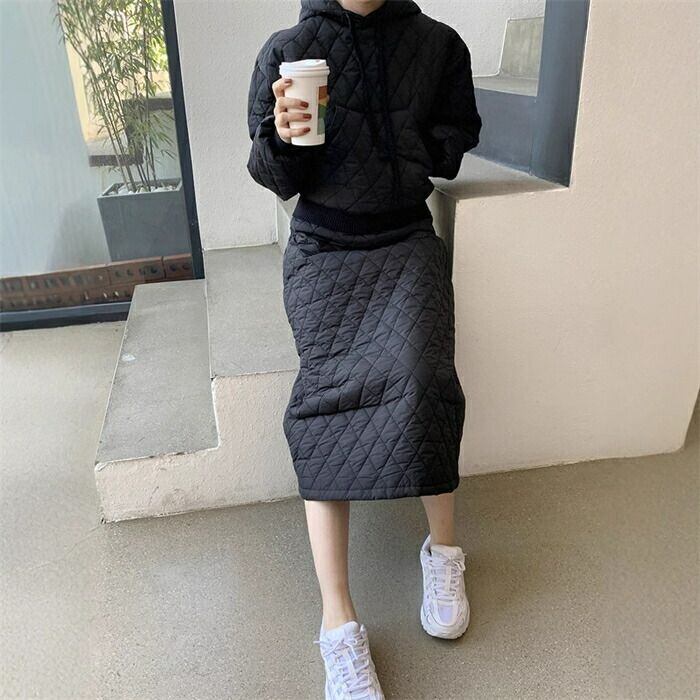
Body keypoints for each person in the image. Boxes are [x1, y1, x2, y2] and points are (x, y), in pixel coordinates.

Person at [247, 0, 481, 697]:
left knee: (426, 379)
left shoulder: (439, 44)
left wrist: (409, 149)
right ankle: (338, 622)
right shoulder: (288, 48)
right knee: (324, 406)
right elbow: (272, 176)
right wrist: (285, 137)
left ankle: (443, 552)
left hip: (405, 241)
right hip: (322, 249)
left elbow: (456, 137)